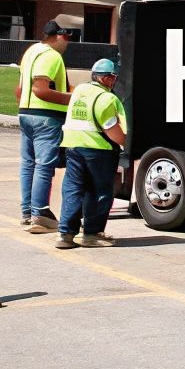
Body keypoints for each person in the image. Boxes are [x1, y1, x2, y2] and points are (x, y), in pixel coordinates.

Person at [56, 58, 128, 250]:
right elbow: (113, 131)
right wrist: (127, 143)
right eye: (113, 77)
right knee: (99, 192)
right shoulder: (106, 98)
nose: (114, 81)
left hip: (72, 146)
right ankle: (92, 234)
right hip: (98, 151)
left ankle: (65, 234)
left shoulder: (80, 91)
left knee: (73, 189)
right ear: (106, 78)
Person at [14, 20, 74, 233]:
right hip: (46, 117)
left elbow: (20, 89)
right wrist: (73, 98)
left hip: (26, 113)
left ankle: (27, 212)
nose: (67, 43)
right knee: (44, 165)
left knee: (28, 163)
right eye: (67, 38)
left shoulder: (31, 51)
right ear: (59, 36)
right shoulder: (52, 55)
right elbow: (40, 89)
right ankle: (40, 213)